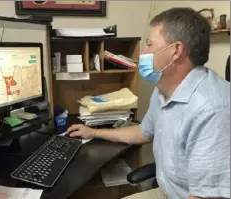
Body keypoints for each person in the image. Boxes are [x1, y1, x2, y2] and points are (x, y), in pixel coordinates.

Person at [66, 7, 230, 199]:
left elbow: (207, 197)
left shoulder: (212, 108)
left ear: (176, 51)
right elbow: (143, 132)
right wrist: (93, 132)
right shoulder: (163, 90)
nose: (142, 52)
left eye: (149, 45)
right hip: (169, 191)